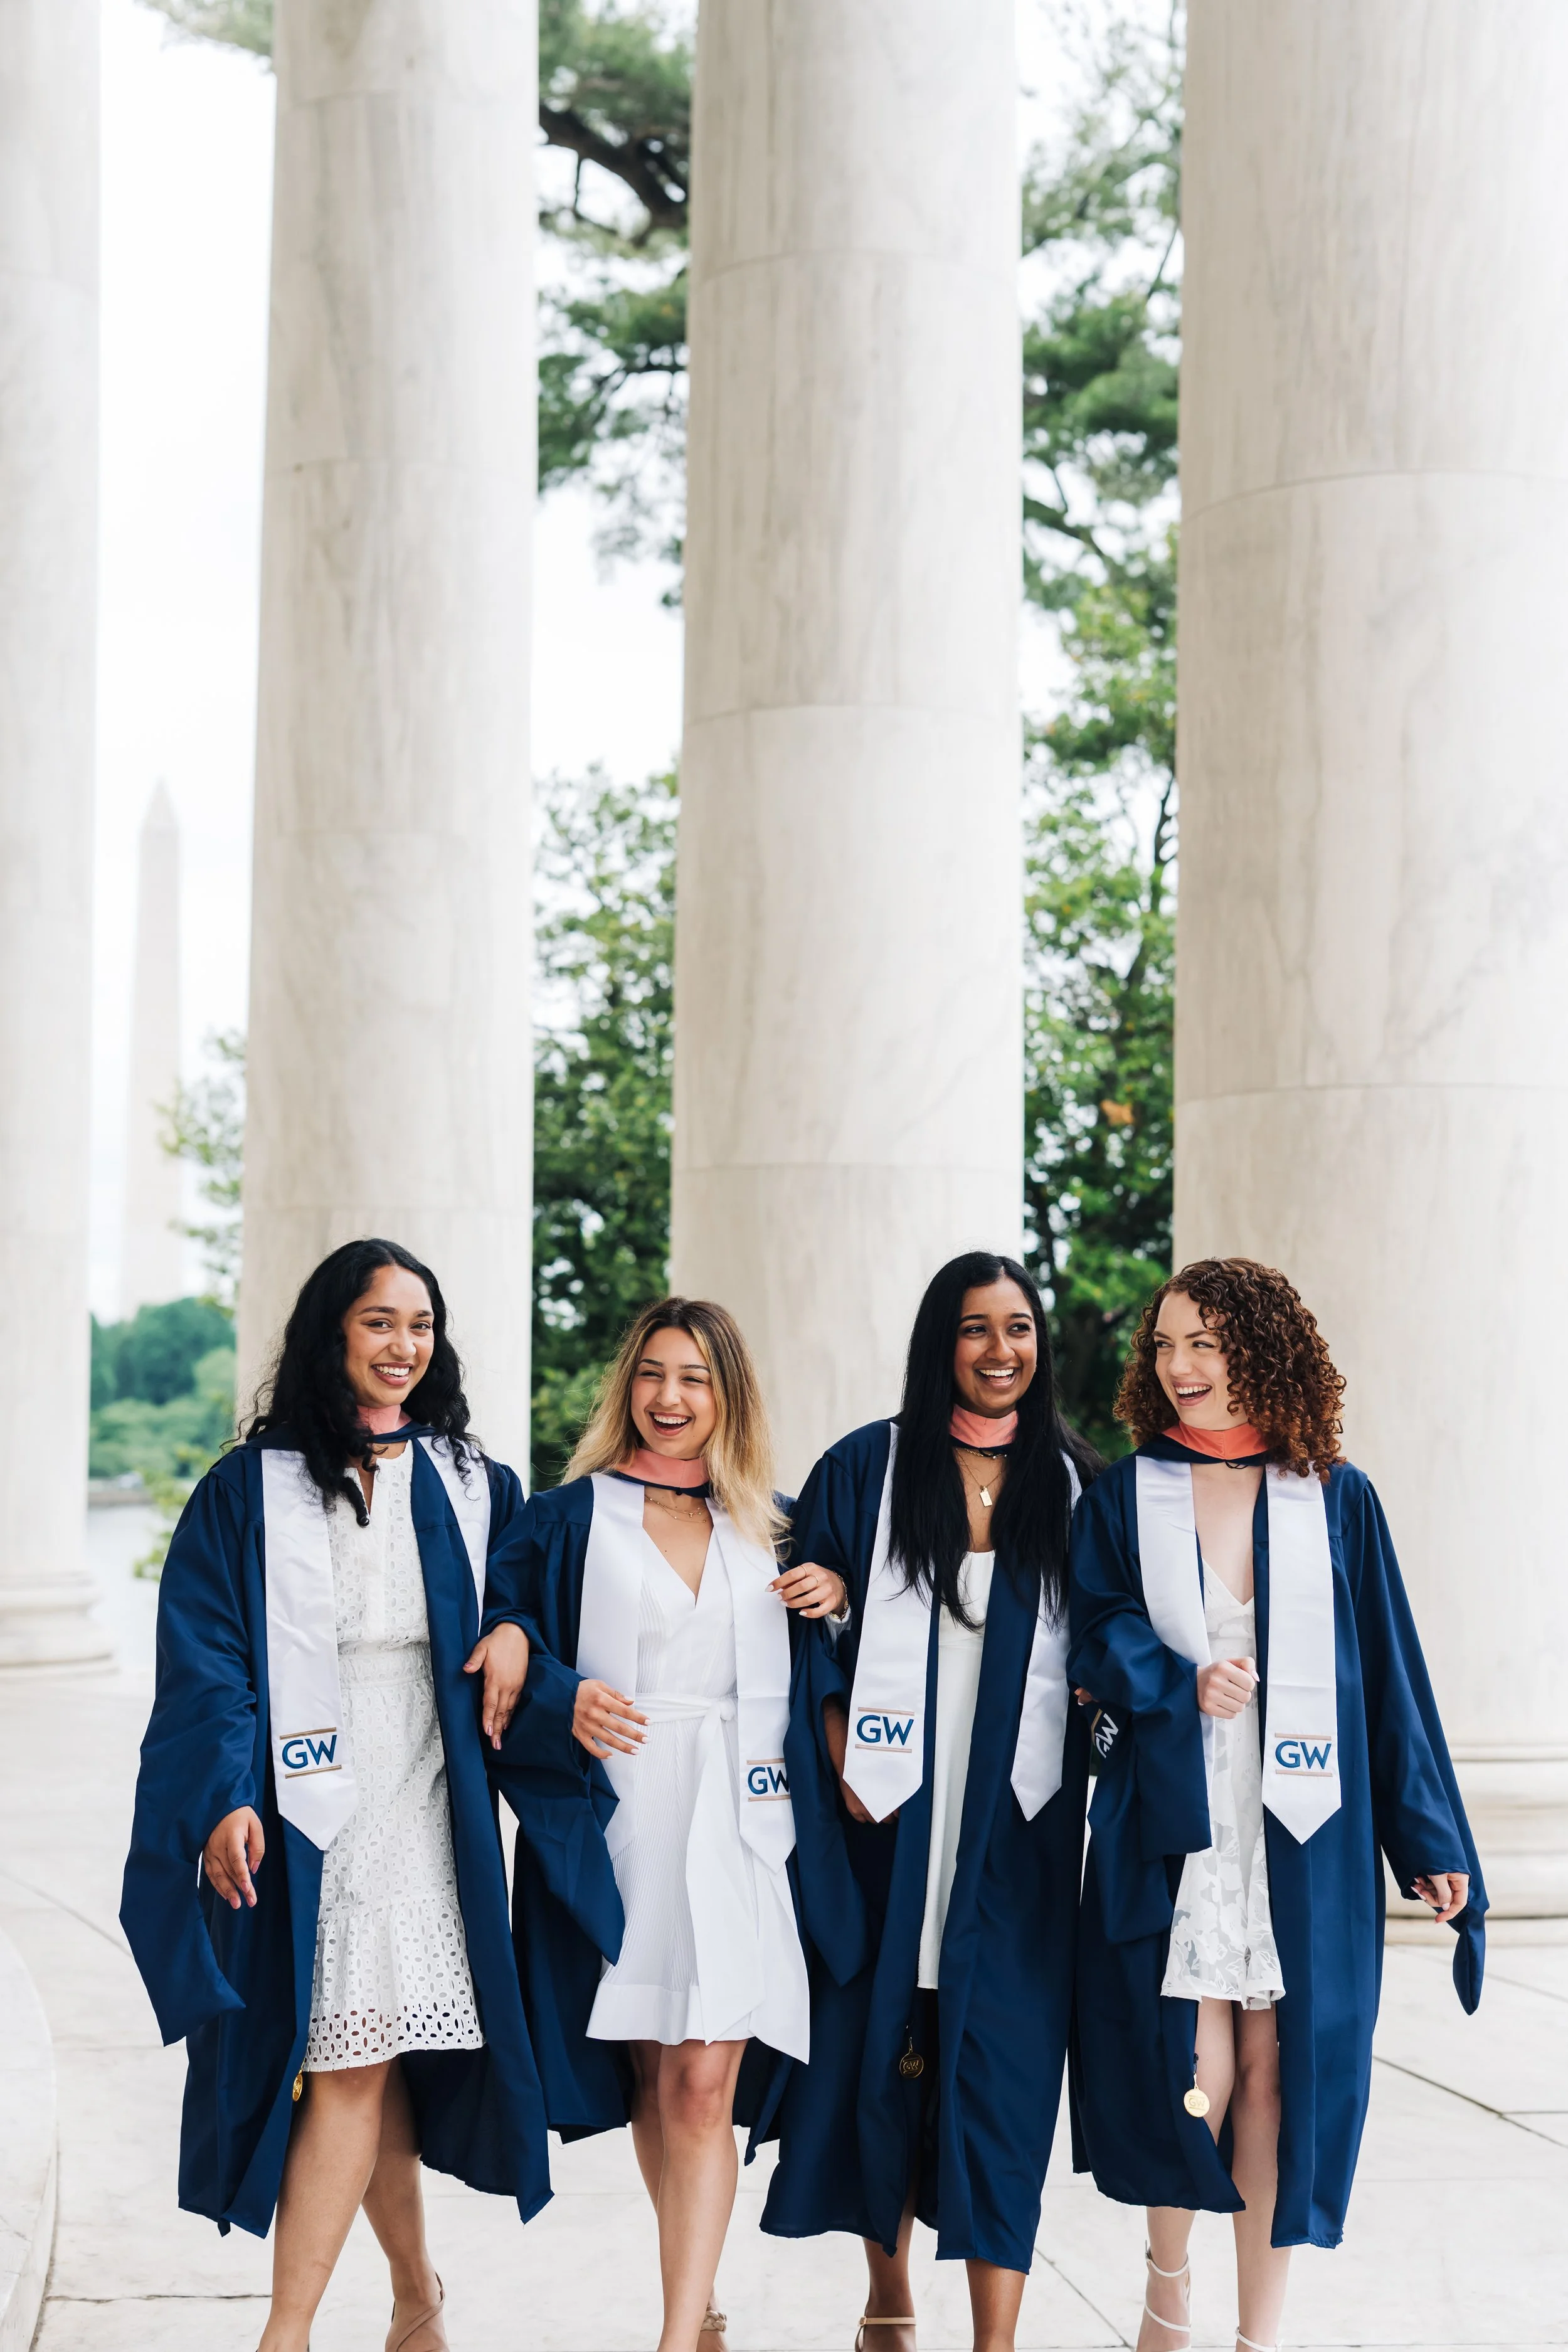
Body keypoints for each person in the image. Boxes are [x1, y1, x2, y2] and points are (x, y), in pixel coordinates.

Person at [120, 1239, 546, 2352]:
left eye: (421, 1324)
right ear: (332, 1333)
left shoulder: (471, 1479)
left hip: (422, 1789)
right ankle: (413, 2301)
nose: (405, 1346)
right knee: (362, 2049)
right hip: (306, 1797)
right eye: (378, 1322)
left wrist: (512, 1627)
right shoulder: (246, 1488)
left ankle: (289, 2333)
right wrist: (220, 1794)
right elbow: (206, 1657)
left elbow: (534, 1591)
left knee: (356, 2050)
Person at [1067, 1258, 1485, 2352]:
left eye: (1204, 1342)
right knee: (1185, 2070)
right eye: (1164, 1344)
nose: (1180, 1366)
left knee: (1277, 2083)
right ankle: (1168, 2292)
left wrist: (1430, 1839)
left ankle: (1260, 2335)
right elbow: (1096, 1629)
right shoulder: (1126, 1492)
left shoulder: (1336, 1495)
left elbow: (1390, 1676)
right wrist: (1175, 1681)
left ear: (1262, 1349)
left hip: (1306, 1826)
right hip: (1176, 1818)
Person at [761, 1252, 1099, 2352]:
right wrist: (833, 1710)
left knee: (1004, 2071)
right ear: (938, 1341)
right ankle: (890, 2297)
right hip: (891, 1814)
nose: (1000, 1351)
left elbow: (1117, 1636)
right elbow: (797, 1622)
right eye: (974, 1328)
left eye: (1018, 1328)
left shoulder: (1079, 1482)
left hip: (1019, 1824)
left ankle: (995, 2339)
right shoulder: (868, 1465)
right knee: (889, 2055)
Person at [484, 1297, 822, 2352]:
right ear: (627, 1383)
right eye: (654, 1374)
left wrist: (840, 1589)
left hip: (738, 1809)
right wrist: (547, 1679)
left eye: (696, 1378)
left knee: (705, 2074)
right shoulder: (566, 1517)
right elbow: (507, 1630)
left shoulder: (774, 1521)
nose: (672, 1398)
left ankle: (677, 2334)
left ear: (729, 1396)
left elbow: (850, 1652)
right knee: (652, 2071)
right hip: (623, 1811)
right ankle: (702, 2301)